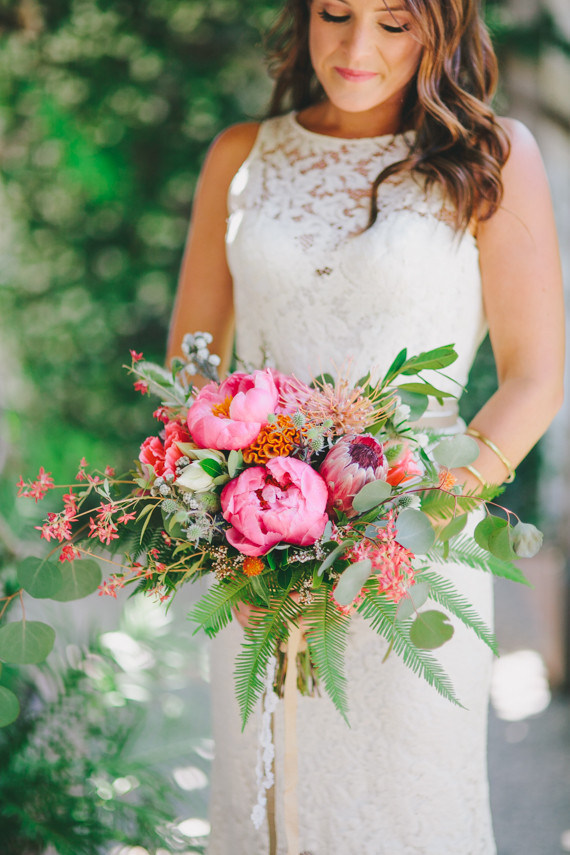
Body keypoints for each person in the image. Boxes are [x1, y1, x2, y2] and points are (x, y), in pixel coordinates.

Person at [167, 0, 565, 852]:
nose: (356, 48)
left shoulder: (493, 157)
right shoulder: (241, 157)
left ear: (444, 28)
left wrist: (399, 530)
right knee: (267, 797)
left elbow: (536, 377)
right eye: (336, 13)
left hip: (411, 557)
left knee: (407, 808)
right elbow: (193, 370)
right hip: (256, 554)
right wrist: (224, 501)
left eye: (394, 23)